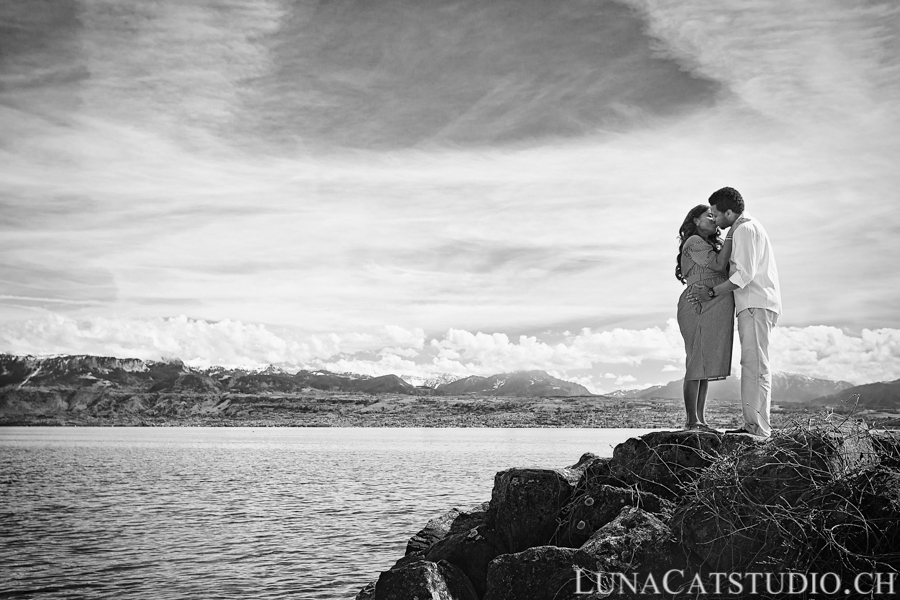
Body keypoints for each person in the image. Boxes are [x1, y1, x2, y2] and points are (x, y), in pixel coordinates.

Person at [690, 187, 782, 437]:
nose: (715, 221)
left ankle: (757, 428)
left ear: (729, 212)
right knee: (754, 364)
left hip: (754, 303)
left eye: (717, 215)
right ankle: (755, 425)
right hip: (757, 303)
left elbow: (744, 275)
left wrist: (711, 292)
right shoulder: (745, 228)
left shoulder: (744, 229)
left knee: (755, 366)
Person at [676, 204, 736, 431]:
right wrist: (733, 231)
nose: (713, 219)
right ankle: (692, 421)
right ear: (695, 221)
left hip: (710, 303)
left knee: (703, 366)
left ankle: (700, 419)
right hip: (697, 304)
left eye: (715, 216)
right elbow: (720, 265)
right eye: (708, 216)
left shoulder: (709, 245)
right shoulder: (693, 242)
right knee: (695, 362)